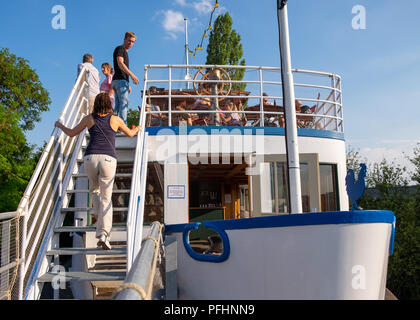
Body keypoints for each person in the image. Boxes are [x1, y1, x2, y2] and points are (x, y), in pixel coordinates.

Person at [55, 93, 142, 250]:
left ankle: (97, 216)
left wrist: (60, 125)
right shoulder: (115, 119)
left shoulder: (89, 119)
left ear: (96, 104)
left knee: (94, 191)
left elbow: (71, 133)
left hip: (90, 158)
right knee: (106, 198)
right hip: (108, 159)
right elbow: (130, 134)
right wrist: (138, 128)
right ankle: (103, 234)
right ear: (109, 104)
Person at [112, 32, 139, 125]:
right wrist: (132, 75)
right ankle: (123, 125)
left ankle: (114, 125)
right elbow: (120, 63)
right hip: (120, 81)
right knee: (123, 104)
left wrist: (128, 84)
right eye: (129, 41)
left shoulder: (124, 51)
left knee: (118, 105)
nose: (130, 43)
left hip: (120, 81)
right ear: (124, 39)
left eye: (133, 42)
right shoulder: (120, 49)